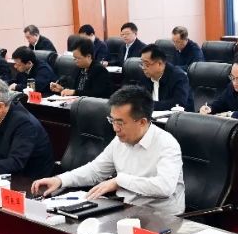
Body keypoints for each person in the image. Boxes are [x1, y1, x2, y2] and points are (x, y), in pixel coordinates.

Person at [32, 86, 185, 216]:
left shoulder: (166, 144)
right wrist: (60, 180)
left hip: (162, 217)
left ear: (142, 122)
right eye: (112, 120)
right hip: (127, 210)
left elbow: (164, 187)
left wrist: (119, 181)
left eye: (120, 123)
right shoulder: (120, 140)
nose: (115, 128)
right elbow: (95, 171)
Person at [134, 44, 191, 111]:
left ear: (160, 64)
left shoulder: (178, 77)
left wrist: (149, 105)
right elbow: (138, 99)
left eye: (146, 64)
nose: (143, 68)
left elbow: (179, 103)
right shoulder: (144, 75)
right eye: (142, 64)